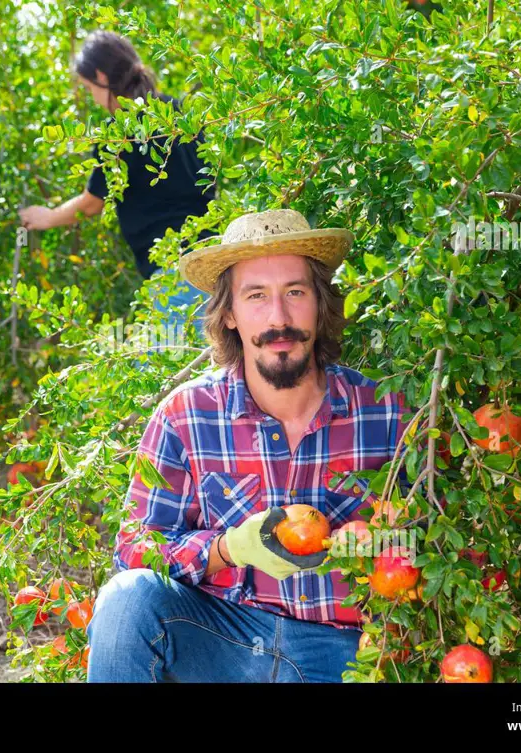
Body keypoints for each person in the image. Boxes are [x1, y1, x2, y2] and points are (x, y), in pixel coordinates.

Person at [85, 209, 413, 682]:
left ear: (320, 305)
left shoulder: (386, 412)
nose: (278, 317)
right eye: (256, 296)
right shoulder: (186, 416)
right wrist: (229, 547)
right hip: (222, 643)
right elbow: (135, 550)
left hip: (344, 655)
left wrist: (382, 540)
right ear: (231, 315)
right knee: (128, 598)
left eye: (295, 293)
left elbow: (447, 544)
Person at [18, 30, 216, 347]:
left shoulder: (119, 131)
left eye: (88, 88)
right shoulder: (177, 111)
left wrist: (47, 217)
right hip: (216, 260)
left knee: (165, 372)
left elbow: (92, 203)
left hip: (173, 273)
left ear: (100, 76)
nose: (92, 98)